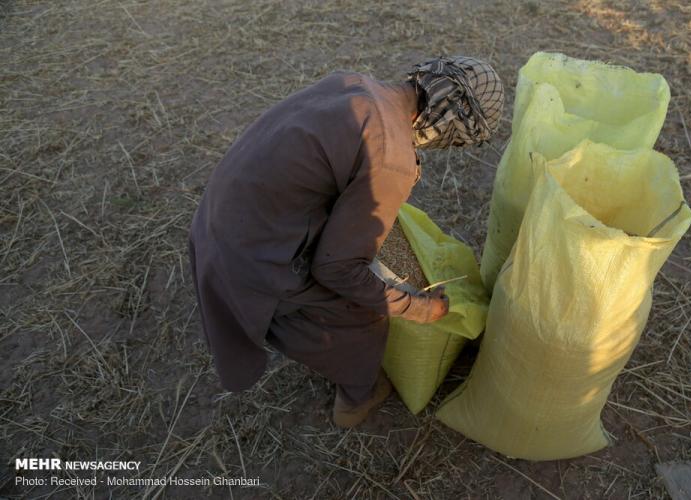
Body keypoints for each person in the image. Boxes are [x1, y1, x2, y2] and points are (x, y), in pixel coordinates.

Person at [188, 56, 504, 428]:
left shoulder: (356, 83)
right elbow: (336, 269)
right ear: (451, 123)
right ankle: (359, 395)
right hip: (248, 259)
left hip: (216, 221)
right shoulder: (392, 159)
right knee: (365, 309)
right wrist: (419, 308)